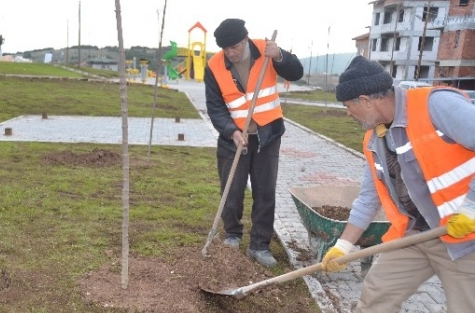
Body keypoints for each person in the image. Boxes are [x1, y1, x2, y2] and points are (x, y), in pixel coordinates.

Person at [321, 55, 475, 312]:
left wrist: (472, 208)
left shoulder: (436, 106)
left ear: (365, 100)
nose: (348, 113)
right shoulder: (374, 138)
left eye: (349, 106)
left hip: (465, 239)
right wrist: (344, 245)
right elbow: (369, 197)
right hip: (416, 236)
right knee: (376, 296)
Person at [204, 18, 304, 267]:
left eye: (235, 47)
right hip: (234, 138)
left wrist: (280, 56)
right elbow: (215, 107)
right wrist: (230, 131)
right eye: (226, 49)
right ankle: (232, 236)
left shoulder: (267, 50)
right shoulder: (214, 66)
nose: (231, 53)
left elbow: (296, 72)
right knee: (232, 190)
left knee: (265, 191)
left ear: (245, 39)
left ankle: (259, 245)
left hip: (267, 136)